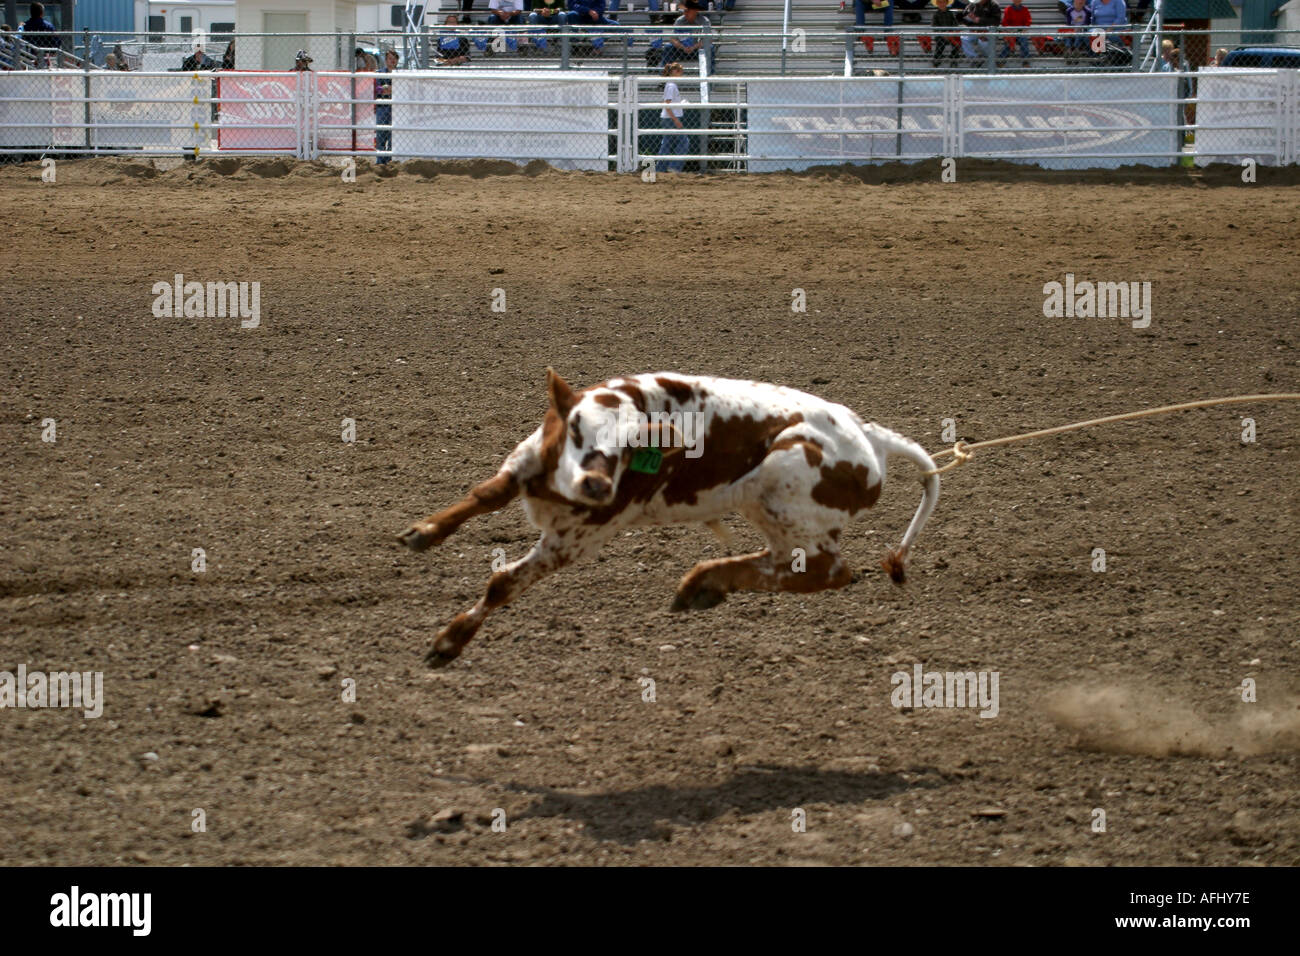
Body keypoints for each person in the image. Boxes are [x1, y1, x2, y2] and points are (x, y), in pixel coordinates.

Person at [659, 61, 688, 172]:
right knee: (683, 142)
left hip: (669, 118)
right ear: (675, 72)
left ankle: (661, 168)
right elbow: (667, 104)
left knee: (667, 143)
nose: (681, 75)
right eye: (680, 72)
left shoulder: (670, 84)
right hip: (671, 118)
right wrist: (675, 120)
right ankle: (674, 166)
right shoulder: (671, 85)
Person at [665, 0, 712, 66]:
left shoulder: (704, 21)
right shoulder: (679, 21)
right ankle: (666, 72)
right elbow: (672, 39)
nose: (685, 13)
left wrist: (693, 47)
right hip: (681, 49)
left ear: (695, 11)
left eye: (688, 11)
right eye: (684, 11)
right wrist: (683, 47)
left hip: (697, 49)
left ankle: (710, 72)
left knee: (710, 47)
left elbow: (708, 39)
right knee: (668, 47)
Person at [375, 48, 397, 164]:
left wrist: (388, 89)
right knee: (381, 135)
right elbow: (378, 90)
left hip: (396, 109)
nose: (392, 61)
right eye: (390, 59)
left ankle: (390, 161)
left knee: (394, 136)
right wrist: (392, 89)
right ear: (386, 60)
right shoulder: (380, 73)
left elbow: (401, 90)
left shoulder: (400, 74)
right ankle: (380, 161)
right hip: (383, 107)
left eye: (394, 59)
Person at [930, 0, 962, 67]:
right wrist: (942, 33)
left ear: (947, 3)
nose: (942, 4)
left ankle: (954, 60)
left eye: (943, 2)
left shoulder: (950, 13)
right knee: (940, 44)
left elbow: (955, 24)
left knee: (956, 44)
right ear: (937, 4)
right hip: (940, 35)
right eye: (940, 2)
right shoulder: (936, 14)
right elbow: (934, 26)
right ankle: (937, 59)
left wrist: (952, 33)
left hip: (951, 34)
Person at [1000, 0, 1032, 64]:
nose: (1017, 1)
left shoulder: (1025, 9)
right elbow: (1005, 22)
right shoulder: (1008, 9)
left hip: (1021, 31)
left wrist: (1023, 30)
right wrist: (1009, 31)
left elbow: (1028, 21)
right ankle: (1002, 60)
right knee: (1008, 42)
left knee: (1024, 41)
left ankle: (1025, 61)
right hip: (1010, 31)